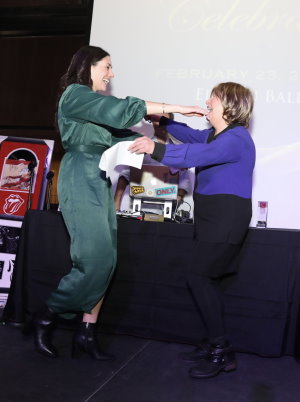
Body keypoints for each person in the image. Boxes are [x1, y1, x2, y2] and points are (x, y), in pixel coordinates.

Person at [29, 45, 206, 360]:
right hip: (79, 175)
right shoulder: (75, 94)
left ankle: (86, 332)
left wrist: (158, 144)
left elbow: (118, 138)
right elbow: (118, 109)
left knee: (107, 259)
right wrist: (174, 106)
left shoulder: (89, 105)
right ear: (89, 66)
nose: (111, 75)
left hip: (96, 178)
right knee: (93, 259)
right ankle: (46, 314)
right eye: (107, 67)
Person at [128, 82, 255, 378]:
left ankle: (220, 351)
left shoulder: (235, 138)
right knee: (207, 280)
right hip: (213, 214)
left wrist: (155, 148)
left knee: (199, 277)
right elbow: (191, 136)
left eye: (215, 97)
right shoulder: (216, 134)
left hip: (227, 215)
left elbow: (194, 155)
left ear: (230, 105)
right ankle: (216, 344)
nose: (208, 100)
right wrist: (165, 120)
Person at [114, 113, 191, 213]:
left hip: (166, 213)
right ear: (152, 123)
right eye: (157, 119)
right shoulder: (141, 148)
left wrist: (179, 197)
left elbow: (185, 181)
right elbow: (125, 174)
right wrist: (116, 204)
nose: (160, 123)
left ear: (170, 123)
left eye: (164, 120)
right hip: (139, 210)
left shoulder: (178, 151)